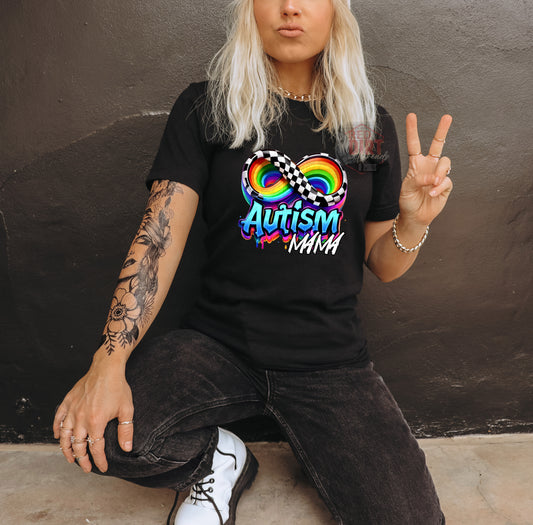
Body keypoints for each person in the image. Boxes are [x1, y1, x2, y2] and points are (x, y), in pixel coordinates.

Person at [53, 0, 453, 523]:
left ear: (337, 12)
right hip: (217, 345)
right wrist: (107, 363)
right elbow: (158, 240)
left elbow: (384, 264)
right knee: (102, 434)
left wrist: (414, 222)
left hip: (328, 362)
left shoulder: (366, 124)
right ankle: (219, 461)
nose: (290, 8)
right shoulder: (208, 108)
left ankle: (324, 447)